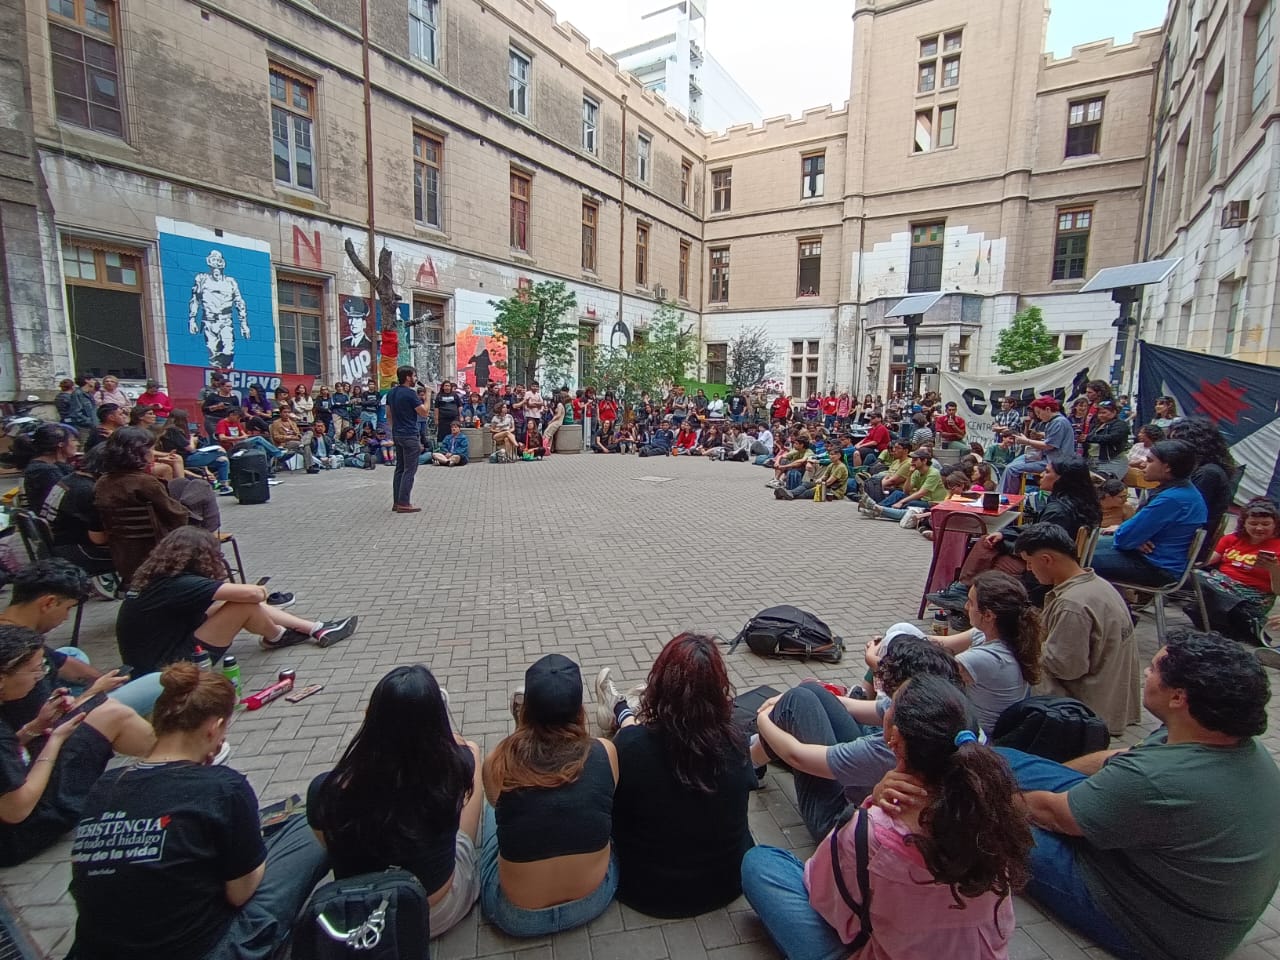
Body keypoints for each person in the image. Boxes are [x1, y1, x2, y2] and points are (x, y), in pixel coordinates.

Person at [997, 632, 1280, 960]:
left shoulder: (1158, 778)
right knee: (1004, 759)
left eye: (1155, 668)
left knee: (993, 819)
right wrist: (1057, 780)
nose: (1146, 671)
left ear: (1178, 697)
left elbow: (1054, 816)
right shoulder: (1217, 736)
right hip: (1171, 879)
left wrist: (981, 798)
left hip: (1160, 929)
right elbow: (1117, 759)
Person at [743, 674, 1031, 960]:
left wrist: (869, 809)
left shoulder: (871, 830)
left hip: (879, 939)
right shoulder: (994, 811)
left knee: (761, 863)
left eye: (890, 704)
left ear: (894, 740)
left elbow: (826, 901)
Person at [69, 662, 328, 960]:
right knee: (312, 824)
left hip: (98, 949)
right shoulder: (222, 787)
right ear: (215, 727)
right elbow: (239, 893)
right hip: (204, 949)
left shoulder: (105, 785)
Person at [309, 665, 483, 938]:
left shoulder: (327, 788)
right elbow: (458, 754)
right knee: (471, 749)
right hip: (435, 912)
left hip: (360, 913)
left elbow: (327, 844)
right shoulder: (455, 769)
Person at [595, 635, 756, 918]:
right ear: (718, 689)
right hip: (726, 883)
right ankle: (621, 709)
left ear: (659, 686)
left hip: (645, 889)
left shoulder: (631, 746)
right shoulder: (736, 741)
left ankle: (621, 708)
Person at [752, 635, 962, 842]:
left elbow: (796, 755)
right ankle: (752, 759)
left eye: (892, 701)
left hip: (841, 821)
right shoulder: (943, 719)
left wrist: (763, 719)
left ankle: (747, 762)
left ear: (897, 733)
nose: (886, 704)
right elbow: (853, 706)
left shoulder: (885, 750)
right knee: (808, 691)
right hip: (870, 796)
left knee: (796, 702)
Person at [481, 654, 619, 936]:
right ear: (580, 710)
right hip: (592, 899)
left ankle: (524, 730)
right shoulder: (605, 751)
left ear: (527, 711)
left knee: (492, 816)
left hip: (516, 915)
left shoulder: (498, 761)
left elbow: (497, 803)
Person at [0, 624, 155, 866]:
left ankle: (175, 759)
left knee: (99, 710)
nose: (40, 676)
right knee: (110, 713)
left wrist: (37, 726)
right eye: (34, 670)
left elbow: (9, 750)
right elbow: (15, 810)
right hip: (18, 834)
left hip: (20, 791)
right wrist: (56, 739)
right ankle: (180, 760)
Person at [115, 527, 358, 673]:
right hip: (169, 669)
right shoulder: (180, 584)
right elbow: (252, 594)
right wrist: (260, 591)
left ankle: (311, 629)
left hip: (152, 660)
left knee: (230, 603)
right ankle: (285, 635)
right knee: (243, 604)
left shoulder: (158, 578)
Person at [1014, 523, 1140, 734]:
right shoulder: (1098, 584)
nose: (1029, 570)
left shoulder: (1072, 604)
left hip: (1089, 710)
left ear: (1046, 560)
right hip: (1111, 697)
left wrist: (1025, 640)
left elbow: (1067, 667)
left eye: (1029, 562)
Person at [0, 560, 163, 721]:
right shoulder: (21, 656)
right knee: (157, 682)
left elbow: (63, 662)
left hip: (58, 700)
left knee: (71, 653)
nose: (66, 617)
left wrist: (101, 679)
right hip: (58, 726)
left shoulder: (14, 631)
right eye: (67, 608)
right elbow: (49, 720)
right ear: (49, 603)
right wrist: (95, 692)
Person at [933, 571, 1041, 732]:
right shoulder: (998, 635)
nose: (965, 607)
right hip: (966, 724)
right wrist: (891, 638)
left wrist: (886, 655)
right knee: (902, 629)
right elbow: (943, 643)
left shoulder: (986, 658)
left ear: (988, 615)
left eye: (970, 602)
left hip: (974, 738)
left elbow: (927, 679)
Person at [1092, 439, 1207, 588]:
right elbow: (1130, 534)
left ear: (1167, 467)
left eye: (1150, 461)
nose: (1143, 465)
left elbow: (1124, 539)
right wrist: (1135, 536)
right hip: (1157, 557)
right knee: (1089, 543)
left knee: (1075, 557)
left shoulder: (1172, 499)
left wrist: (1130, 535)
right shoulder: (1184, 491)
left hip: (1158, 567)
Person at [93, 427, 191, 586]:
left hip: (123, 554)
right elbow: (176, 515)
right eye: (151, 450)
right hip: (156, 551)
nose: (153, 454)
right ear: (137, 453)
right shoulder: (145, 482)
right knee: (199, 492)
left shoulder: (102, 482)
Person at [1191, 497, 1280, 646]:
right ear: (1243, 524)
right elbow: (1207, 562)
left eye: (1265, 524)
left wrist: (1273, 569)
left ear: (1275, 525)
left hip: (1253, 596)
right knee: (1194, 576)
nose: (1259, 528)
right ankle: (1238, 621)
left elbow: (1277, 591)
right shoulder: (1232, 539)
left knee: (1208, 588)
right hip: (1220, 584)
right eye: (1253, 523)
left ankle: (1233, 616)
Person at [41, 445, 115, 578]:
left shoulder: (68, 479)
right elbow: (98, 539)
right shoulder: (90, 491)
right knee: (144, 554)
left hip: (57, 546)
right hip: (78, 552)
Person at [1168, 417, 1235, 560]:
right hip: (1182, 540)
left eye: (1175, 442)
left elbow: (1187, 516)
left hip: (1181, 547)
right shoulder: (1208, 470)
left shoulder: (1207, 474)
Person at [386, 365, 430, 512]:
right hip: (410, 434)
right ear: (408, 377)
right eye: (414, 376)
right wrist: (428, 395)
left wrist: (394, 429)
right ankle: (404, 503)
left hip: (397, 433)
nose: (415, 379)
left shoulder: (391, 393)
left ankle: (397, 501)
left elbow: (389, 414)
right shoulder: (410, 394)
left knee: (400, 468)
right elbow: (424, 412)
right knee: (409, 470)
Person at [159, 409, 234, 495]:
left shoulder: (169, 430)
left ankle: (224, 485)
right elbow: (190, 448)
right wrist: (192, 439)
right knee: (220, 451)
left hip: (188, 456)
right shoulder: (174, 431)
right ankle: (222, 484)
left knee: (222, 460)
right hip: (186, 458)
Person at [14, 423, 77, 512]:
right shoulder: (47, 471)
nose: (77, 444)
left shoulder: (38, 465)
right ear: (61, 444)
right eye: (73, 440)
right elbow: (71, 499)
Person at [269, 408, 316, 473]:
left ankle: (303, 443)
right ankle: (310, 467)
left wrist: (298, 436)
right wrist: (289, 437)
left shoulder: (292, 423)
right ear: (280, 413)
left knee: (310, 432)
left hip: (297, 441)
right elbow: (276, 437)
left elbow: (298, 434)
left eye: (288, 412)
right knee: (306, 446)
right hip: (285, 442)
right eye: (285, 412)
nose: (287, 414)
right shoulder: (276, 423)